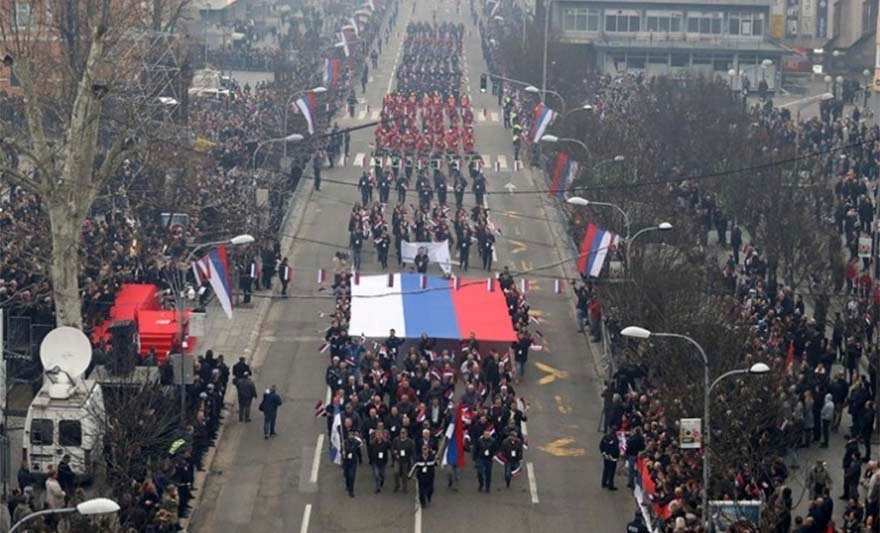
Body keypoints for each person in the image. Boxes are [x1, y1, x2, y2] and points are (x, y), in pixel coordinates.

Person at [474, 427, 496, 492]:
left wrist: (494, 455)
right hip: (481, 458)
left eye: (488, 434)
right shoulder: (479, 440)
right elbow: (476, 449)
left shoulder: (493, 441)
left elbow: (495, 449)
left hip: (489, 459)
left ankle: (487, 487)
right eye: (485, 434)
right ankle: (481, 483)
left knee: (488, 473)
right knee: (480, 472)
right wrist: (475, 458)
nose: (486, 436)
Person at [342, 431, 363, 497]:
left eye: (352, 435)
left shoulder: (356, 442)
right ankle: (347, 485)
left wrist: (360, 460)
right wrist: (342, 452)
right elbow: (341, 451)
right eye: (349, 435)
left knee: (352, 476)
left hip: (353, 462)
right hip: (346, 461)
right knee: (347, 475)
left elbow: (360, 445)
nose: (350, 437)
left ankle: (351, 490)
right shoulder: (345, 442)